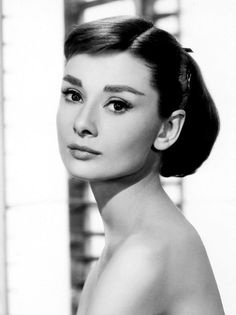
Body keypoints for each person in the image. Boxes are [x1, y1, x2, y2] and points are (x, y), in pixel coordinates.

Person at [57, 15, 225, 315]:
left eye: (117, 105)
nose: (83, 123)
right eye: (74, 95)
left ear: (167, 129)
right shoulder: (133, 241)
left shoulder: (145, 254)